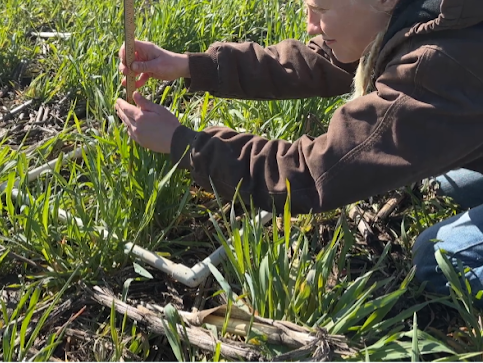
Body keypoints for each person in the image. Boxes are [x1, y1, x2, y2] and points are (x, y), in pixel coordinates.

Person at [114, 0, 483, 303]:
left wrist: (183, 143)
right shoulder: (421, 14)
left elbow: (311, 174)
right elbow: (319, 62)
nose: (309, 25)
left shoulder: (435, 65)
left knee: (439, 261)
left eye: (320, 10)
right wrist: (190, 65)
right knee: (447, 176)